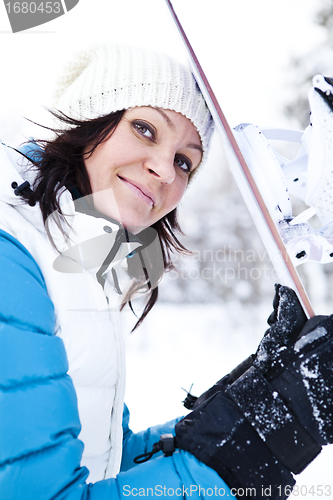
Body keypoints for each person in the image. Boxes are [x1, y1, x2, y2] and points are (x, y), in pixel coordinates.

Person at [1, 42, 333, 500]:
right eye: (144, 128)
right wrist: (265, 439)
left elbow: (106, 457)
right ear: (90, 118)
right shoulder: (12, 256)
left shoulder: (86, 269)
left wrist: (259, 393)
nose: (163, 170)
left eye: (184, 162)